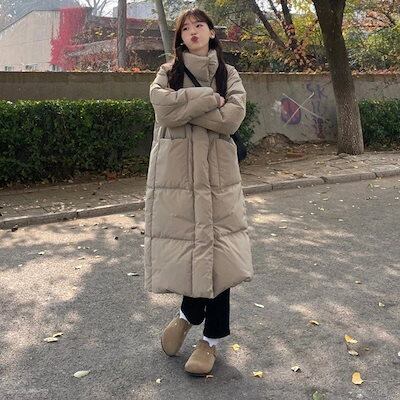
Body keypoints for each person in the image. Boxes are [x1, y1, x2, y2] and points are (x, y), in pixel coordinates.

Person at [144, 8, 253, 376]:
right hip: (178, 179)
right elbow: (163, 110)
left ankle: (209, 338)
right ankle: (187, 315)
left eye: (199, 25)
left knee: (217, 255)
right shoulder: (168, 72)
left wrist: (186, 107)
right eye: (186, 28)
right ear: (179, 37)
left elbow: (232, 117)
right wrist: (209, 99)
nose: (192, 31)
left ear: (211, 32)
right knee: (194, 250)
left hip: (218, 178)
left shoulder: (228, 73)